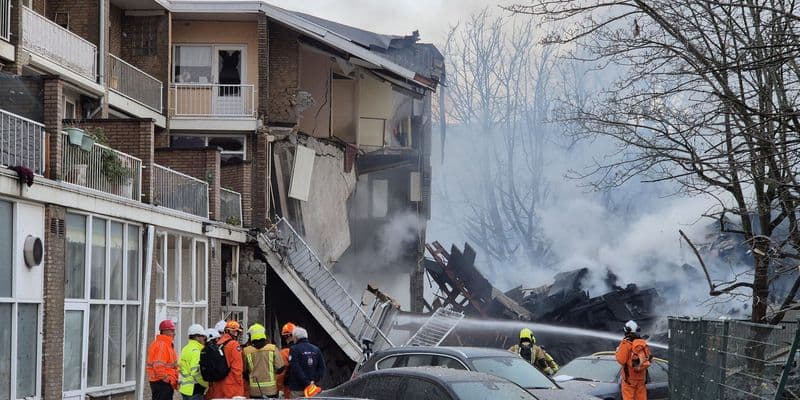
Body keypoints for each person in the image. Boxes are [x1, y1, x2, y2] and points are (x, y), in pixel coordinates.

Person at [243, 323, 286, 398]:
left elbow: (244, 372)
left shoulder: (246, 351)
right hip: (271, 390)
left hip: (254, 391)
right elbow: (280, 368)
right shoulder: (272, 349)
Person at [205, 321, 246, 399]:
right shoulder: (234, 345)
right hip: (232, 386)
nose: (237, 334)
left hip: (218, 384)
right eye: (236, 332)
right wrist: (240, 383)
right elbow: (237, 368)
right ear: (230, 331)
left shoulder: (218, 344)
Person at [616, 320, 652, 400]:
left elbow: (621, 360)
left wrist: (617, 351)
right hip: (641, 379)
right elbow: (650, 359)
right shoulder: (643, 344)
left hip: (629, 380)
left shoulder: (626, 344)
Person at [286, 326, 325, 398]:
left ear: (296, 338)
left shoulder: (294, 349)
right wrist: (313, 381)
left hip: (297, 388)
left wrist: (307, 383)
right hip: (312, 389)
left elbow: (296, 368)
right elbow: (322, 368)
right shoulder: (316, 349)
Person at [147, 320, 179, 400]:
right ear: (165, 331)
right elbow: (158, 367)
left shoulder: (165, 344)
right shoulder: (162, 345)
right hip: (162, 383)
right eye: (172, 331)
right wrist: (168, 380)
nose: (174, 333)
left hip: (162, 383)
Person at [179, 324, 208, 400]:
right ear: (197, 337)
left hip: (185, 389)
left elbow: (180, 367)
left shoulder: (185, 349)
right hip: (195, 389)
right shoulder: (196, 351)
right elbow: (195, 372)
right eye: (203, 336)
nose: (204, 339)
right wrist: (205, 384)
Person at [276, 322, 296, 398]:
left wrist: (279, 388)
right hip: (306, 386)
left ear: (287, 336)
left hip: (289, 387)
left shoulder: (285, 351)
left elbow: (281, 372)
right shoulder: (304, 349)